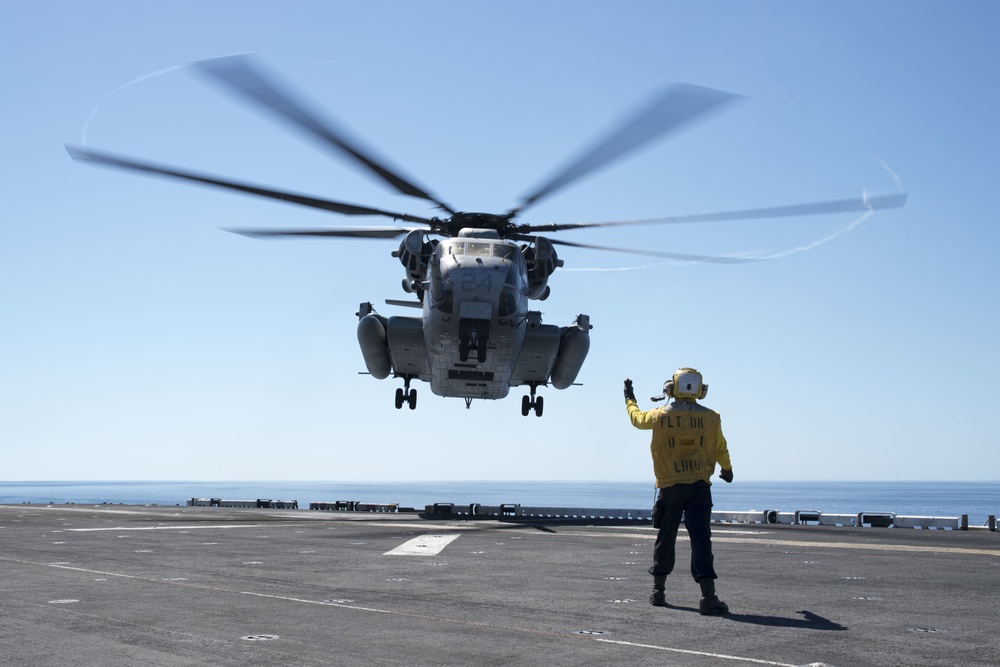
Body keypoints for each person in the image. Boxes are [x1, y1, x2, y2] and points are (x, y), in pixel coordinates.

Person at [623, 368, 733, 614]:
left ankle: (658, 592)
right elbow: (720, 448)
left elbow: (637, 419)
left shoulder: (660, 415)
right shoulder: (712, 418)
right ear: (700, 390)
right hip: (699, 487)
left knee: (666, 536)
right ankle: (708, 597)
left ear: (671, 389)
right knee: (701, 539)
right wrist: (727, 469)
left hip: (670, 486)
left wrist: (629, 399)